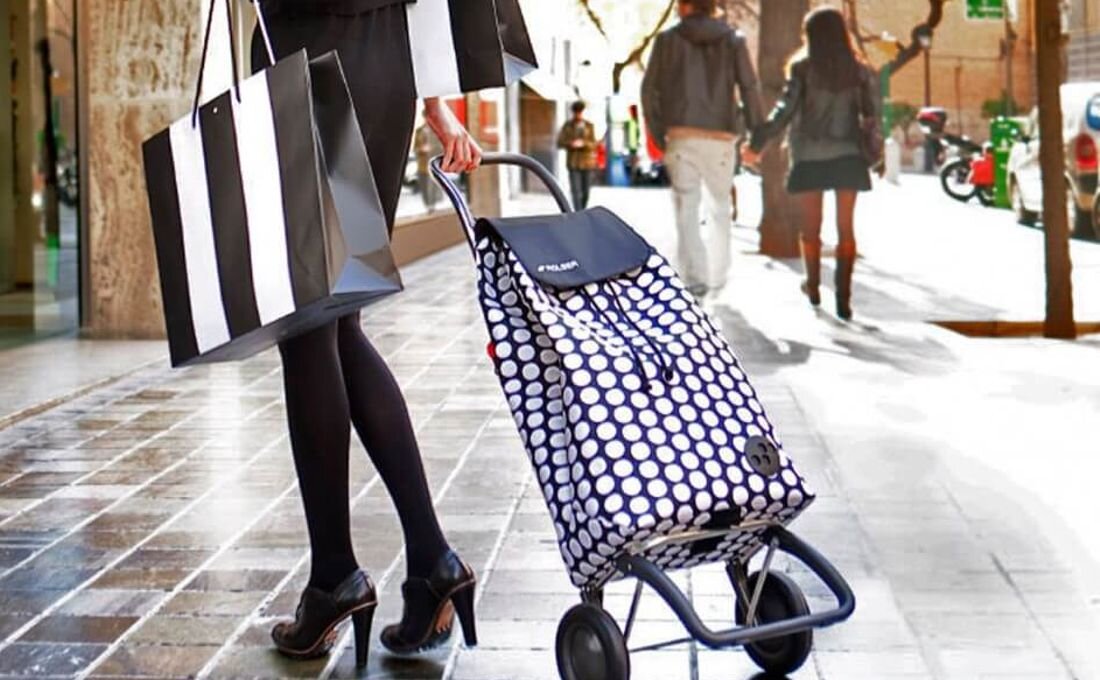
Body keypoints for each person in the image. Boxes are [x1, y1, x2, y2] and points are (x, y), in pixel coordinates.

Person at [250, 0, 481, 669]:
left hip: (303, 62)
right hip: (384, 69)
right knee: (338, 317)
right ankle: (431, 560)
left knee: (310, 325)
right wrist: (434, 99)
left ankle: (335, 578)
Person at [748, 7, 882, 320]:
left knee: (810, 228)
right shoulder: (860, 71)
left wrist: (758, 142)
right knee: (846, 229)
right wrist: (877, 154)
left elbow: (785, 110)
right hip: (848, 155)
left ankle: (813, 287)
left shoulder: (802, 69)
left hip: (809, 156)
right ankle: (844, 300)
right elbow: (872, 116)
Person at [641, 0, 764, 296]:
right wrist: (756, 136)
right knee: (720, 207)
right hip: (721, 137)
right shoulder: (734, 40)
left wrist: (660, 133)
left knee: (686, 208)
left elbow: (649, 90)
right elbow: (749, 87)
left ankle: (695, 278)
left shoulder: (666, 40)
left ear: (685, 6)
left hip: (680, 134)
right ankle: (718, 276)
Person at [557, 101, 599, 210]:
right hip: (573, 163)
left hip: (587, 163)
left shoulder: (589, 126)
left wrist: (583, 144)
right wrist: (570, 144)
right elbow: (560, 142)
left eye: (580, 112)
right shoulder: (567, 126)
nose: (578, 115)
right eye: (576, 112)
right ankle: (578, 212)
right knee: (575, 191)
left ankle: (582, 210)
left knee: (586, 191)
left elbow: (594, 144)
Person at [414, 120, 444, 213]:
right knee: (424, 186)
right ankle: (428, 205)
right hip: (422, 164)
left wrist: (431, 149)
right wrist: (421, 149)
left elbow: (441, 147)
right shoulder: (419, 131)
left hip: (432, 164)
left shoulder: (437, 131)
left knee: (431, 186)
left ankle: (432, 206)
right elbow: (415, 148)